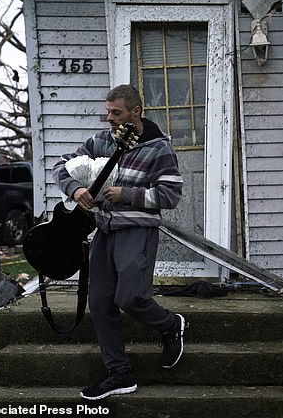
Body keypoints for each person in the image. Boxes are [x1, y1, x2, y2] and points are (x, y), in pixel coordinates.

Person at [52, 84, 185, 401]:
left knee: (130, 297)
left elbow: (171, 195)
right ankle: (119, 373)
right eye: (108, 111)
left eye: (116, 113)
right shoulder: (100, 142)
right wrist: (75, 189)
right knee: (99, 302)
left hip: (137, 228)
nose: (109, 118)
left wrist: (127, 194)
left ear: (135, 112)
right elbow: (61, 166)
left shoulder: (159, 149)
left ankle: (169, 325)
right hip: (104, 230)